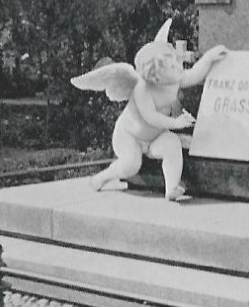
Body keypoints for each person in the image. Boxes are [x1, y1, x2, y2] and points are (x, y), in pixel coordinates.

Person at [71, 22, 228, 201]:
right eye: (171, 66)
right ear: (155, 74)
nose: (178, 68)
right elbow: (151, 117)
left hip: (155, 138)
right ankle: (103, 177)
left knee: (172, 145)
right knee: (131, 164)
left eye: (176, 64)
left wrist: (209, 58)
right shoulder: (142, 89)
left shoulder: (173, 80)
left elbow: (193, 75)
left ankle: (171, 187)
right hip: (129, 137)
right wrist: (176, 123)